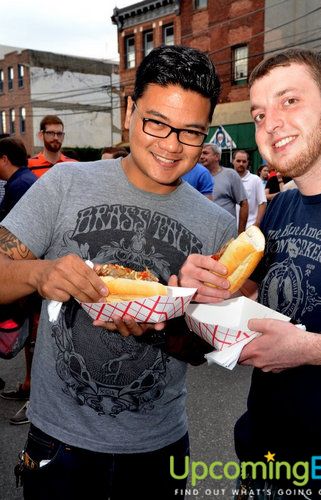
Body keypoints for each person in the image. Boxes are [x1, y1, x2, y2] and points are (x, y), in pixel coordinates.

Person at [0, 45, 236, 499]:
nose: (171, 146)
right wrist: (39, 273)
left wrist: (164, 328)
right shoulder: (64, 184)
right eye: (157, 122)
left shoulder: (218, 226)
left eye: (190, 132)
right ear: (130, 110)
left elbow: (204, 351)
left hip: (160, 446)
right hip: (58, 442)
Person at [178, 48, 321, 498]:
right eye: (259, 114)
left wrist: (307, 348)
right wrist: (195, 286)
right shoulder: (280, 209)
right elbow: (236, 298)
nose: (270, 123)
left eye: (289, 101)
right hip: (264, 468)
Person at [0, 138, 38, 426]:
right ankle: (28, 386)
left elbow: (20, 237)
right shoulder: (23, 181)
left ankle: (36, 400)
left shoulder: (19, 185)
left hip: (30, 278)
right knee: (31, 338)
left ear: (4, 159)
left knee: (36, 337)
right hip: (31, 275)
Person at [200, 143, 248, 233]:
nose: (201, 156)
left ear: (217, 157)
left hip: (226, 233)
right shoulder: (197, 176)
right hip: (203, 233)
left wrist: (241, 232)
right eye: (201, 153)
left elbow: (244, 204)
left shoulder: (230, 174)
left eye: (205, 153)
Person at [232, 150, 266, 227]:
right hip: (230, 228)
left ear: (248, 163)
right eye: (238, 161)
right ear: (233, 161)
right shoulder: (227, 179)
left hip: (249, 227)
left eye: (244, 161)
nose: (241, 164)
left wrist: (257, 223)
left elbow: (262, 203)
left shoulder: (255, 180)